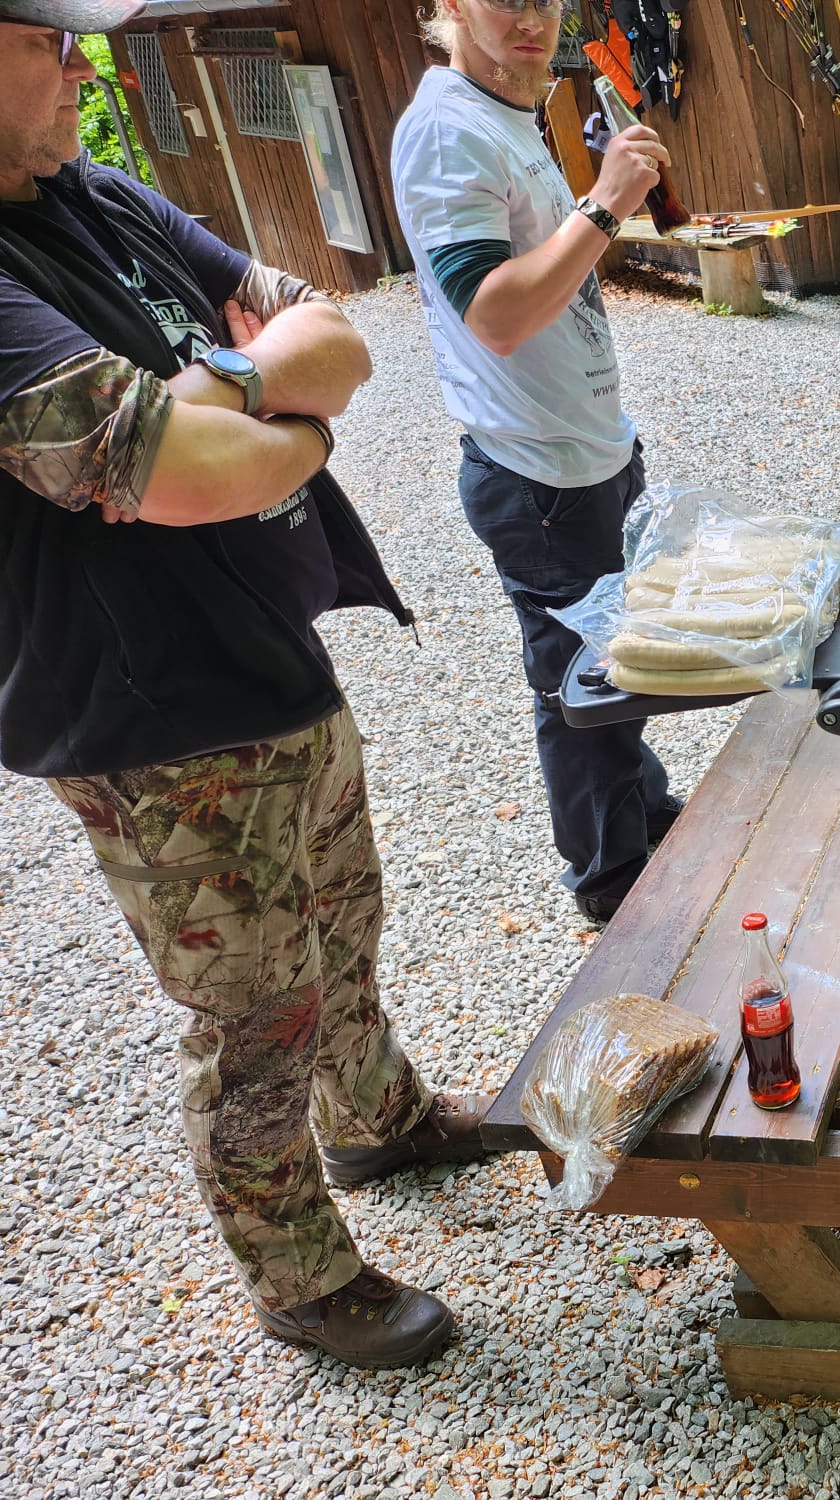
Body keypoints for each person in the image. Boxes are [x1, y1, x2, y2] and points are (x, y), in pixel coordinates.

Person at [0, 0, 499, 1369]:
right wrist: (290, 423)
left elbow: (333, 334)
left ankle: (379, 1120)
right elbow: (171, 473)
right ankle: (297, 1275)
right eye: (47, 39)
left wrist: (219, 387)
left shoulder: (101, 195)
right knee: (256, 1014)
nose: (84, 65)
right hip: (149, 715)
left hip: (269, 654)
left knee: (343, 923)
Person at [391, 0, 681, 926]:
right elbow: (497, 314)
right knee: (581, 688)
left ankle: (643, 810)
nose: (532, 17)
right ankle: (610, 881)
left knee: (613, 656)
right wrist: (606, 203)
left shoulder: (506, 113)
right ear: (450, 8)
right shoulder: (447, 132)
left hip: (588, 449)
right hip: (539, 473)